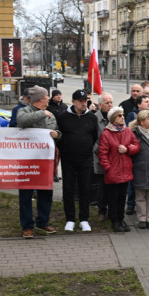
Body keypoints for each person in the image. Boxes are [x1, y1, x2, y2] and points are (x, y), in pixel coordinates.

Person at [17, 86, 61, 238]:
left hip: (45, 161)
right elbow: (22, 121)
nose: (49, 98)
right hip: (27, 162)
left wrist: (58, 134)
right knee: (25, 195)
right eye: (47, 96)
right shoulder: (24, 111)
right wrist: (42, 114)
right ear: (40, 99)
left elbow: (57, 131)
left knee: (46, 193)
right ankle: (27, 227)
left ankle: (43, 222)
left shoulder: (51, 115)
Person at [56, 89, 99, 232]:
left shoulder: (91, 117)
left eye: (85, 101)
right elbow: (59, 136)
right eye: (80, 101)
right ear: (73, 102)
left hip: (86, 159)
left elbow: (94, 136)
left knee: (85, 189)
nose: (83, 103)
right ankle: (70, 219)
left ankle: (84, 219)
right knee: (68, 189)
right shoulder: (63, 117)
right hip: (68, 159)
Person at [97, 107, 140, 232]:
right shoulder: (106, 134)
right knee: (113, 198)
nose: (122, 117)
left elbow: (137, 145)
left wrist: (128, 149)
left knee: (122, 198)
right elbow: (102, 154)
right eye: (119, 115)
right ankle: (114, 220)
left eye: (123, 115)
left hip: (125, 170)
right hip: (113, 172)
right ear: (112, 119)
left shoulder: (127, 131)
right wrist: (108, 169)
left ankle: (121, 219)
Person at [92, 93, 114, 218]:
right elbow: (92, 138)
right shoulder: (94, 118)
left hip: (115, 157)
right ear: (100, 105)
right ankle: (101, 209)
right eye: (107, 103)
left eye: (111, 102)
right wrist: (99, 149)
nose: (110, 105)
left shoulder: (116, 117)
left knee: (112, 185)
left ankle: (112, 209)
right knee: (101, 185)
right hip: (100, 156)